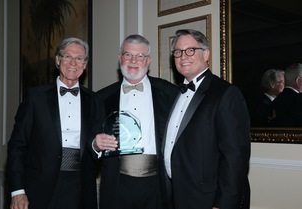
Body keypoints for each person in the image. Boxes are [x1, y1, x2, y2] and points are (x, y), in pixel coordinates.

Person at [163, 29, 251, 209]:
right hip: (176, 195)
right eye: (178, 52)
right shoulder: (175, 94)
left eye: (190, 50)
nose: (183, 56)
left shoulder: (226, 93)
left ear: (206, 54)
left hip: (207, 199)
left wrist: (223, 204)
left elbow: (235, 157)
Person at [6, 37, 98, 209]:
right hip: (39, 188)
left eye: (79, 58)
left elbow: (95, 143)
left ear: (85, 64)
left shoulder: (93, 100)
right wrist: (17, 190)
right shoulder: (35, 97)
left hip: (81, 188)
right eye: (67, 56)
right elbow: (17, 146)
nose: (73, 62)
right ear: (58, 60)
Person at [89, 34, 179, 209]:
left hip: (158, 184)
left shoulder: (170, 93)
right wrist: (95, 144)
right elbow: (90, 136)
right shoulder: (102, 97)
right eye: (128, 54)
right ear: (120, 58)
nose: (133, 60)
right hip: (116, 184)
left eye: (140, 56)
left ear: (148, 60)